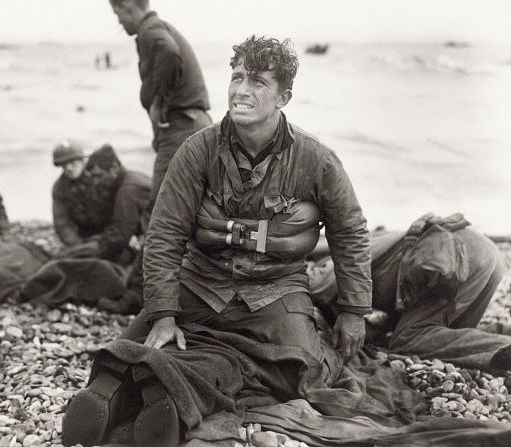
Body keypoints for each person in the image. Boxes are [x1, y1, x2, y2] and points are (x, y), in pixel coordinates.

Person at [64, 35, 372, 446]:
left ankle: (166, 388)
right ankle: (119, 394)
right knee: (134, 343)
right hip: (201, 283)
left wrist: (354, 309)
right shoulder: (197, 151)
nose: (241, 90)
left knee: (300, 373)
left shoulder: (315, 159)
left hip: (274, 292)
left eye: (258, 82)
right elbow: (164, 234)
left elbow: (349, 231)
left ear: (284, 96)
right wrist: (163, 313)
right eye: (237, 77)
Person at [308, 213, 510, 371]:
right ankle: (503, 333)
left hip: (447, 258)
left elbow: (314, 283)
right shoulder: (374, 248)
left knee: (408, 338)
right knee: (450, 336)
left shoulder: (338, 265)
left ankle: (497, 346)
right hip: (486, 253)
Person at [108, 0, 212, 203]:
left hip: (182, 126)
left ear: (129, 7)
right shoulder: (157, 27)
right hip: (193, 123)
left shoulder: (149, 29)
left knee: (160, 208)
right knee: (189, 205)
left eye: (117, 13)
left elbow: (169, 52)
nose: (119, 22)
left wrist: (158, 102)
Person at [51, 141, 150, 265]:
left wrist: (129, 236)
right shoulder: (60, 187)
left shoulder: (103, 175)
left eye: (72, 162)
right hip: (89, 236)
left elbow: (126, 215)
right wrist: (78, 246)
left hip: (113, 232)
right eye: (64, 165)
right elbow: (62, 223)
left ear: (82, 160)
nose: (69, 168)